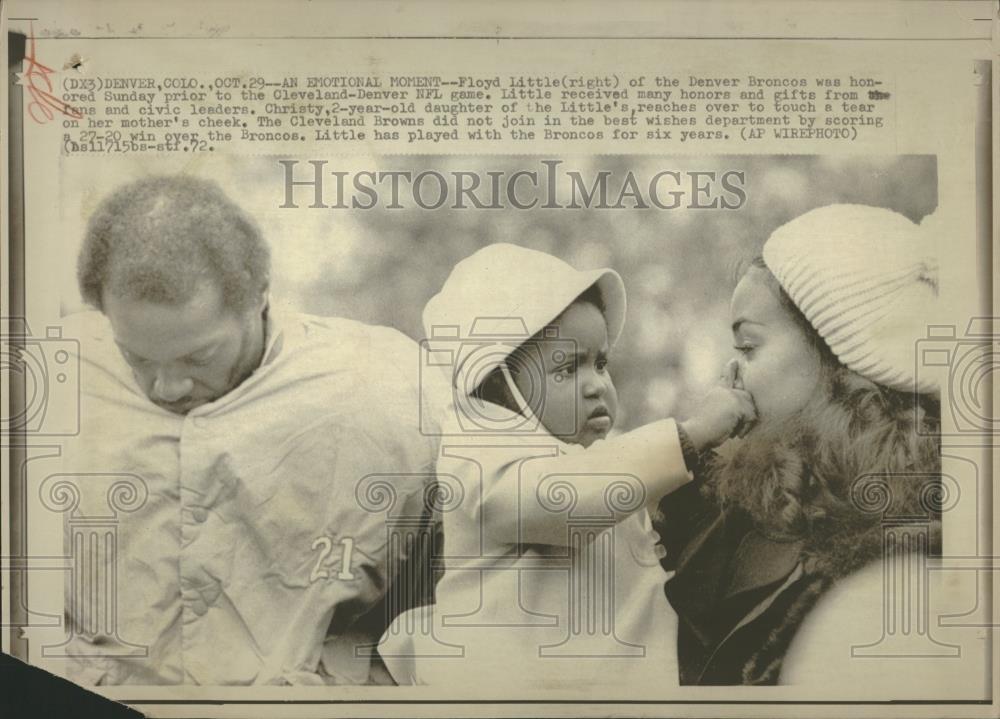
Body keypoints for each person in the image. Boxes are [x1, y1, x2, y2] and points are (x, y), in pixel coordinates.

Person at [58, 175, 448, 685]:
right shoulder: (48, 382)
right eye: (136, 356)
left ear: (259, 297)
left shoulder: (389, 388)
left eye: (199, 356)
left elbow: (473, 576)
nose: (168, 387)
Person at [378, 243, 755, 687]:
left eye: (601, 362)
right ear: (500, 387)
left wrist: (721, 442)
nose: (597, 384)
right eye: (568, 369)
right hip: (505, 692)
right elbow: (566, 500)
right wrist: (690, 435)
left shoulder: (600, 457)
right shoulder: (479, 452)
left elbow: (636, 491)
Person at [659, 204, 944, 686]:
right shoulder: (723, 500)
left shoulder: (918, 542)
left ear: (837, 353)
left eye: (748, 348)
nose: (730, 376)